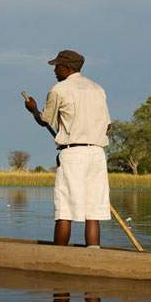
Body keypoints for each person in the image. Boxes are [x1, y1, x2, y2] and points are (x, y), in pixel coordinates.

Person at [24, 50, 111, 247]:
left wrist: (33, 110)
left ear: (67, 68)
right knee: (93, 212)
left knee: (65, 209)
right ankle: (93, 253)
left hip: (73, 154)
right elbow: (108, 125)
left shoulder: (59, 89)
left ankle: (59, 257)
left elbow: (45, 120)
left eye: (57, 66)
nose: (54, 70)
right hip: (97, 154)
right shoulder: (98, 89)